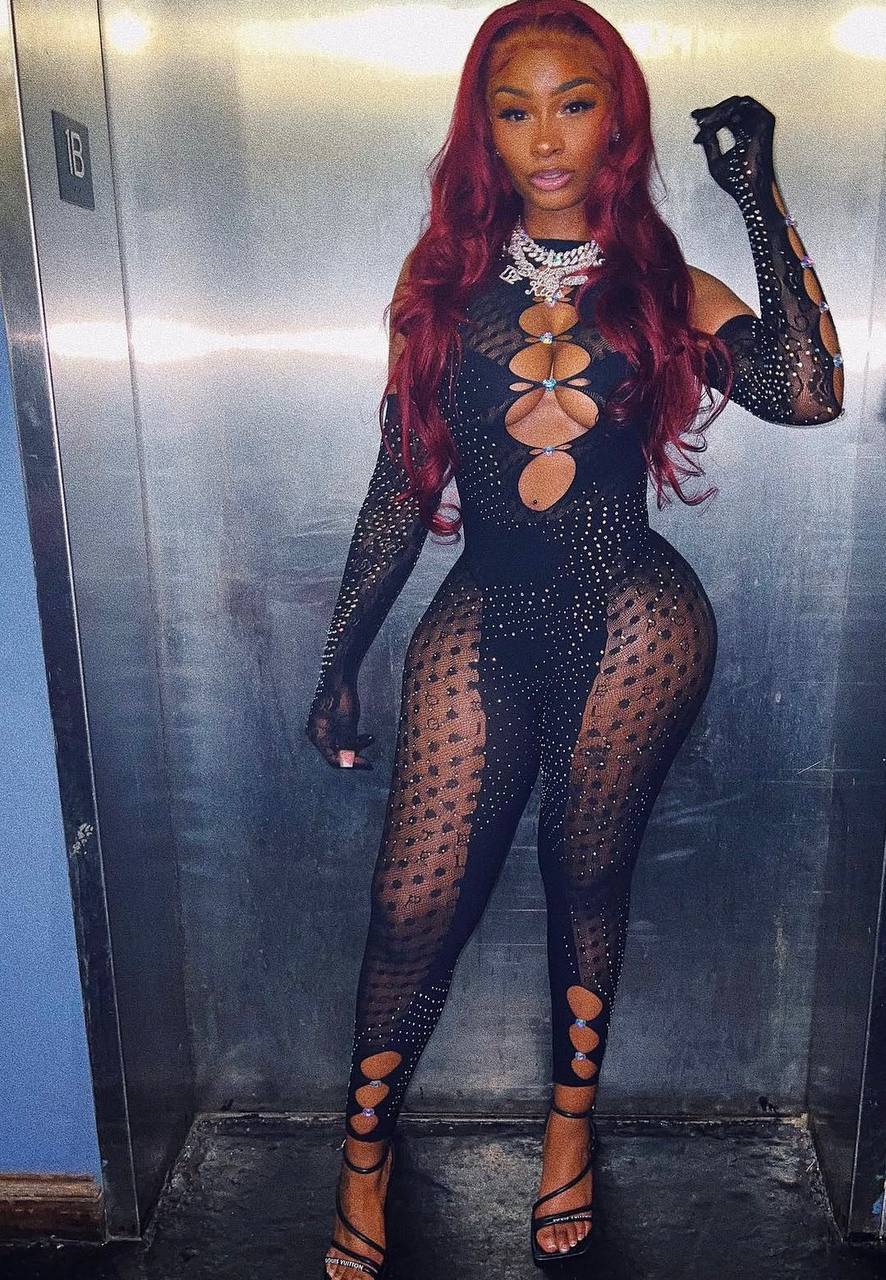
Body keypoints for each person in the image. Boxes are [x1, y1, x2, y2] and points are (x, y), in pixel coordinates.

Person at [305, 0, 844, 1273]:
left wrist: (757, 194)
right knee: (411, 901)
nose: (545, 137)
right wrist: (338, 658)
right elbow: (399, 487)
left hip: (634, 616)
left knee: (584, 874)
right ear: (482, 131)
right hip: (484, 608)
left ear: (617, 122)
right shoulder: (439, 286)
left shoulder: (663, 283)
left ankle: (566, 1130)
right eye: (514, 109)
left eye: (574, 102)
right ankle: (364, 1152)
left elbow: (809, 392)